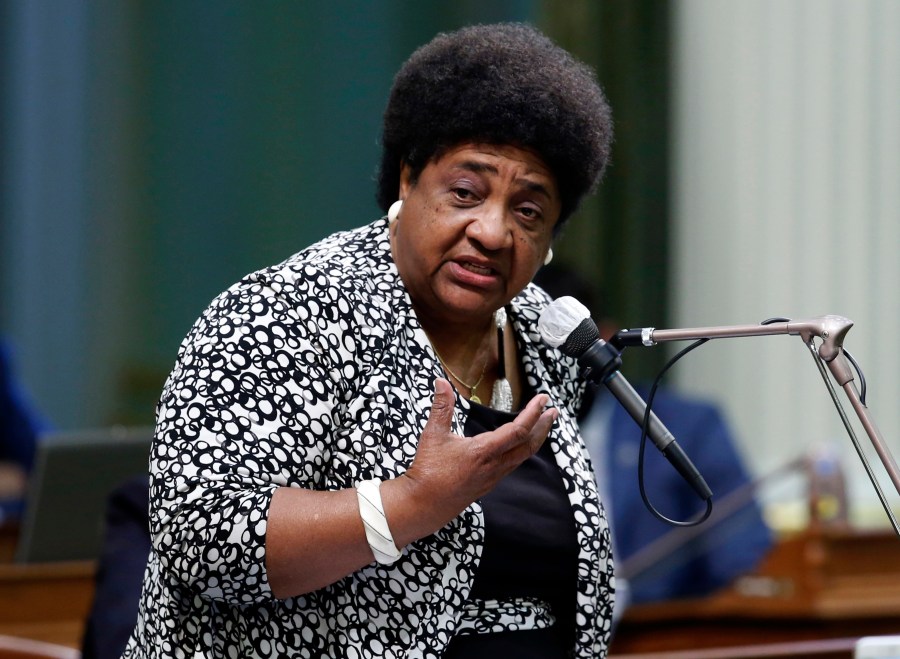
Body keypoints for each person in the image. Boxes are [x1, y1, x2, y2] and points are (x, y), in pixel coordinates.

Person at [123, 23, 616, 658]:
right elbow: (203, 543)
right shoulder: (284, 313)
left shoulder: (543, 335)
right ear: (408, 179)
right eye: (465, 193)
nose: (493, 231)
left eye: (528, 210)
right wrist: (409, 504)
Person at [533, 263, 773, 611]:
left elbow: (741, 555)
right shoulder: (490, 430)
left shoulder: (689, 426)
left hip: (655, 635)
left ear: (604, 339)